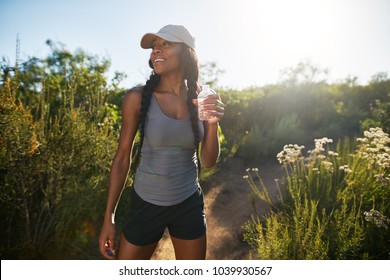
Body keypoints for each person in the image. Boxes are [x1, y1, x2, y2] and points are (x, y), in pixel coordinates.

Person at [98, 24, 224, 260]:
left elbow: (208, 161)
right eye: (154, 46)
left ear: (187, 52)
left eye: (165, 44)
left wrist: (213, 123)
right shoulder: (137, 98)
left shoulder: (203, 97)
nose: (156, 50)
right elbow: (122, 159)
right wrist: (109, 218)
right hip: (146, 203)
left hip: (188, 203)